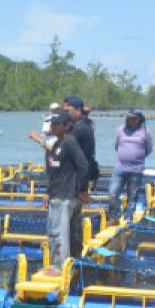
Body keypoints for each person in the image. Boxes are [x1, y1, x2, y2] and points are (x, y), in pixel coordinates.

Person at [40, 112, 90, 276]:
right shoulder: (56, 145)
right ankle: (73, 261)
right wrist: (48, 192)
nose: (53, 127)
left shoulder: (69, 142)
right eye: (51, 124)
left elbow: (83, 165)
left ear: (66, 125)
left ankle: (59, 266)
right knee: (71, 231)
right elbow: (55, 173)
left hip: (66, 195)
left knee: (57, 232)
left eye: (56, 124)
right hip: (57, 193)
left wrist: (82, 190)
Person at [63, 95, 98, 257]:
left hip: (76, 182)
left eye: (68, 111)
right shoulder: (76, 126)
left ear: (78, 110)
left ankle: (74, 256)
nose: (66, 113)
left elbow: (85, 161)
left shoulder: (80, 129)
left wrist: (82, 188)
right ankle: (72, 254)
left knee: (73, 221)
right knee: (70, 220)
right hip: (72, 180)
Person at [108, 109, 153, 222]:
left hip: (136, 170)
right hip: (120, 168)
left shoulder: (145, 132)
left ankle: (128, 217)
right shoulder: (120, 130)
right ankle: (114, 216)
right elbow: (116, 146)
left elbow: (148, 149)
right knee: (113, 193)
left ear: (137, 120)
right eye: (126, 117)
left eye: (130, 118)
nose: (127, 120)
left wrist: (137, 158)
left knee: (132, 196)